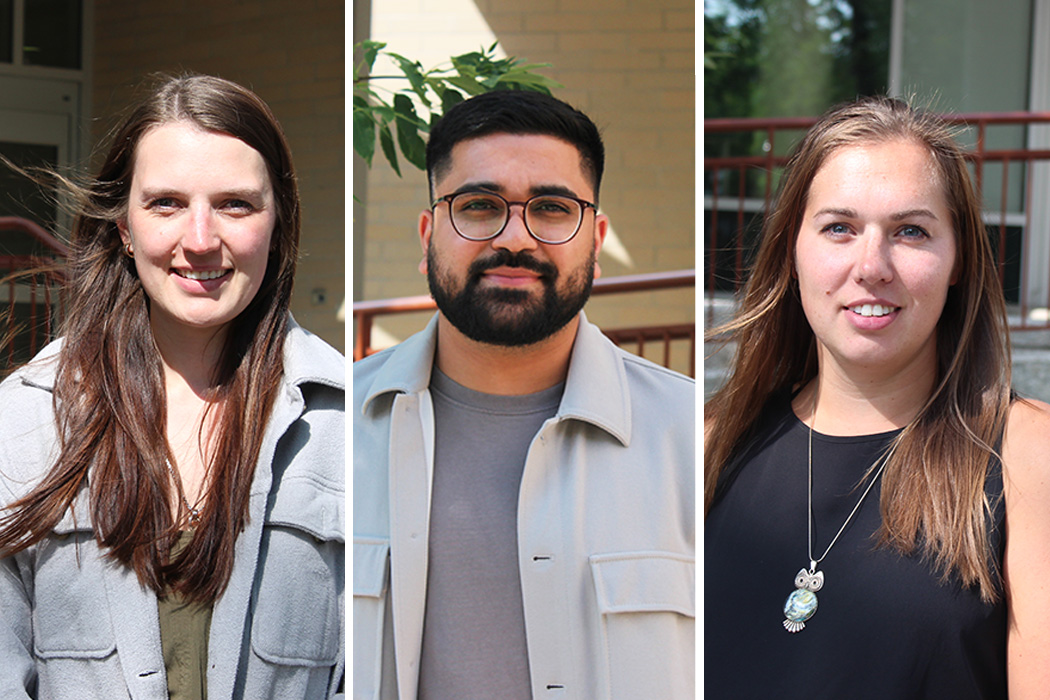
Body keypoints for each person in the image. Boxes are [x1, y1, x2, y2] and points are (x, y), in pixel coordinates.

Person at [0, 74, 344, 699]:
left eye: (236, 204)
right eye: (166, 204)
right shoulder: (22, 421)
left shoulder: (350, 426)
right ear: (125, 229)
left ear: (278, 224)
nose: (200, 240)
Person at [705, 96, 1050, 699]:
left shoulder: (1030, 459)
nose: (872, 265)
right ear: (792, 250)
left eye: (910, 231)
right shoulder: (705, 441)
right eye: (839, 227)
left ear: (959, 259)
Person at [353, 90, 695, 699]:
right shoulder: (337, 425)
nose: (515, 238)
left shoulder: (694, 438)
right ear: (428, 233)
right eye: (480, 206)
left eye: (553, 208)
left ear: (597, 237)